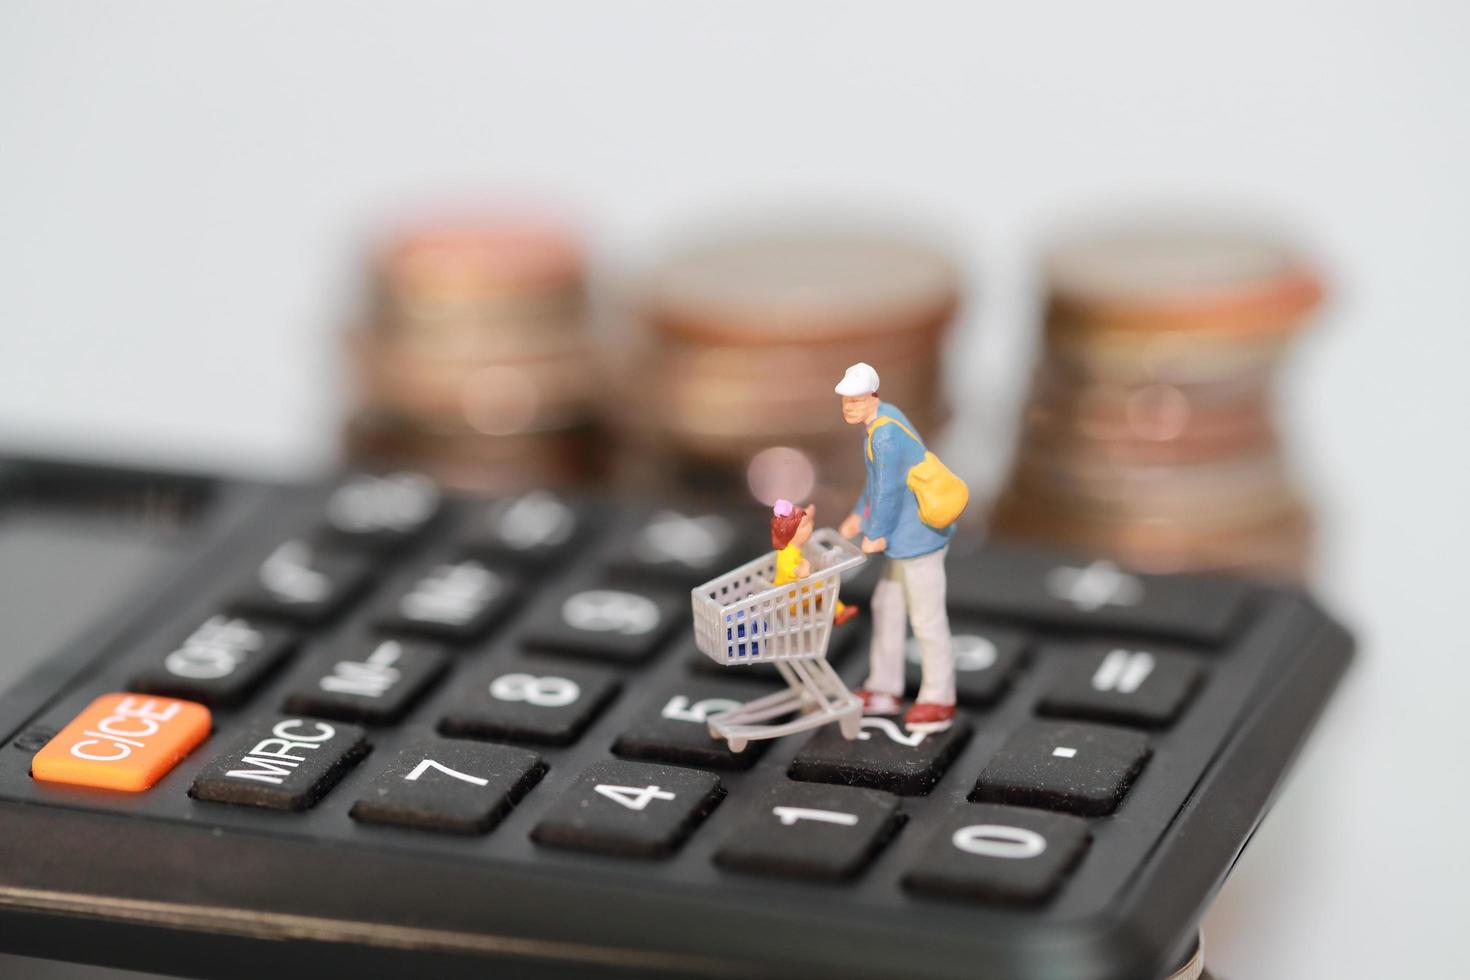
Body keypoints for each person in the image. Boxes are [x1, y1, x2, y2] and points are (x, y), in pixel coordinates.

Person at [835, 361, 957, 733]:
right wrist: (860, 514)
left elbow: (888, 491)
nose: (849, 407)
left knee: (927, 619)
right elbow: (875, 480)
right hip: (903, 538)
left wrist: (875, 531)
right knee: (887, 604)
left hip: (918, 539)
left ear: (873, 396)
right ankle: (885, 689)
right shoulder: (880, 421)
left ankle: (939, 698)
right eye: (845, 401)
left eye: (856, 400)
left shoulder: (885, 435)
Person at [769, 499, 859, 626]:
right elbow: (786, 569)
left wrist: (807, 514)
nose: (811, 525)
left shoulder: (791, 548)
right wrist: (799, 570)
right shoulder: (787, 554)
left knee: (819, 586)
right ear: (791, 534)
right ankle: (838, 613)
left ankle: (838, 611)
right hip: (790, 602)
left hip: (791, 594)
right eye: (805, 525)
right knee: (824, 586)